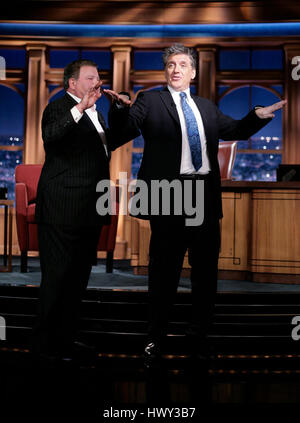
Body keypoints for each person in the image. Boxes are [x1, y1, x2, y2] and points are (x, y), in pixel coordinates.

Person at [109, 43, 286, 365]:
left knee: (205, 273)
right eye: (170, 65)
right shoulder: (150, 100)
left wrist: (257, 115)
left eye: (182, 64)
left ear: (193, 72)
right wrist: (121, 108)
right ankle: (155, 338)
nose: (175, 69)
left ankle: (199, 336)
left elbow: (233, 129)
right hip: (168, 195)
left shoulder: (206, 106)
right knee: (164, 273)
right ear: (166, 71)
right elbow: (122, 133)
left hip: (203, 195)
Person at [34, 59, 129, 360]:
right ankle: (44, 346)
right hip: (62, 208)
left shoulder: (95, 113)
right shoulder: (59, 107)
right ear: (72, 84)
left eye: (98, 78)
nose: (96, 83)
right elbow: (52, 137)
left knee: (77, 280)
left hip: (89, 207)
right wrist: (79, 108)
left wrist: (121, 109)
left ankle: (66, 339)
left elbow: (112, 141)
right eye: (90, 78)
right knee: (57, 279)